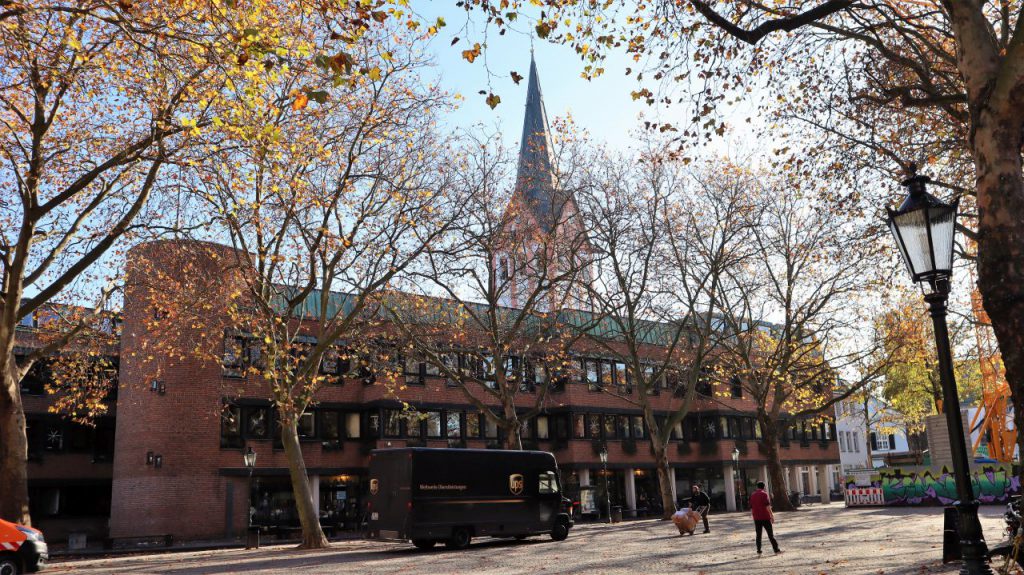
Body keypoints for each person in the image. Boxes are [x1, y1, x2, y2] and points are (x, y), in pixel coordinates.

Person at [749, 481, 781, 555]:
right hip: (765, 517)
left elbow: (751, 507)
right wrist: (772, 515)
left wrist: (752, 515)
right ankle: (776, 549)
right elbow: (767, 506)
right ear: (764, 487)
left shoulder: (752, 495)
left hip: (756, 517)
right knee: (770, 535)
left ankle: (759, 550)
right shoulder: (764, 494)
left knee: (758, 535)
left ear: (757, 487)